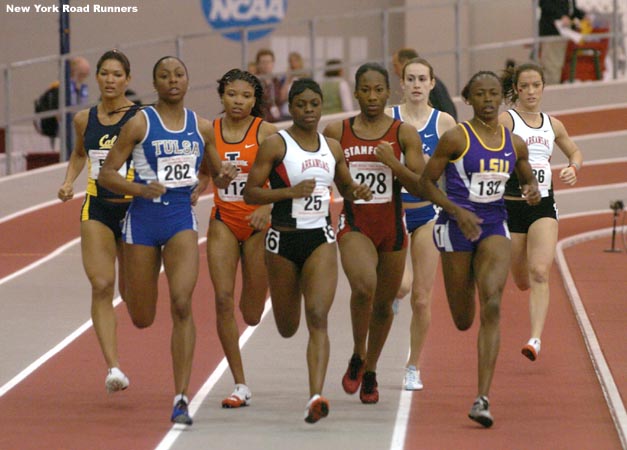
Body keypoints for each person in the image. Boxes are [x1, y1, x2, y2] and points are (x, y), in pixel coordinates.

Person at [378, 70, 540, 427]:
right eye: (480, 94)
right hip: (454, 228)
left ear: (502, 98)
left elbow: (527, 176)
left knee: (493, 303)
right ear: (469, 98)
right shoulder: (455, 138)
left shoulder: (515, 143)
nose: (487, 100)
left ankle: (482, 398)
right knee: (464, 319)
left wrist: (532, 190)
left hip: (494, 225)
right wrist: (455, 210)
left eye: (494, 94)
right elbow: (424, 184)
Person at [98, 56, 236, 426]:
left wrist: (221, 176)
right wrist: (138, 188)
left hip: (179, 220)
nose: (172, 80)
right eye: (164, 76)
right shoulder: (140, 123)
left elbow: (215, 174)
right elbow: (107, 174)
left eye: (178, 74)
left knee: (181, 304)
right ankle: (126, 271)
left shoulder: (202, 127)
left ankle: (180, 397)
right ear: (154, 83)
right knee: (142, 317)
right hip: (142, 221)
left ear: (188, 81)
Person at [243, 78, 372, 423]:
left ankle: (315, 395)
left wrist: (358, 190)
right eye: (302, 105)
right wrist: (289, 193)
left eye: (315, 104)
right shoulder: (275, 145)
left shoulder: (332, 148)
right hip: (282, 242)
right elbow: (251, 193)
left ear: (321, 107)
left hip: (320, 239)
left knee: (318, 316)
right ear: (291, 106)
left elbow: (345, 186)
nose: (309, 111)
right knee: (287, 326)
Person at [323, 62, 424, 404]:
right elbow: (330, 176)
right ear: (355, 92)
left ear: (388, 92)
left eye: (378, 89)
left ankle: (370, 370)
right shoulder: (337, 132)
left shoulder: (403, 134)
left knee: (384, 304)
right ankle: (357, 351)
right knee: (364, 286)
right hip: (355, 224)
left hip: (392, 229)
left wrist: (393, 164)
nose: (371, 96)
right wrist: (349, 187)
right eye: (365, 89)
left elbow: (420, 183)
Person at [57, 49, 137, 394]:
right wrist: (67, 181)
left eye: (117, 74)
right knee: (101, 284)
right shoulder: (83, 119)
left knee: (134, 296)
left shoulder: (141, 119)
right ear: (97, 77)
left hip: (136, 211)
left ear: (127, 80)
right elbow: (79, 154)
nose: (109, 79)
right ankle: (114, 368)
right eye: (104, 73)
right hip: (97, 208)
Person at [499, 62, 583, 361]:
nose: (531, 91)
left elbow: (574, 150)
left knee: (539, 272)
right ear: (517, 90)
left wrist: (573, 166)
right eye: (526, 86)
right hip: (511, 206)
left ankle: (535, 339)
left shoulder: (553, 124)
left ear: (543, 88)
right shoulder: (507, 121)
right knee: (521, 279)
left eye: (537, 85)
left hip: (543, 206)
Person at [205, 68, 277, 408]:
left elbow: (287, 180)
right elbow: (206, 176)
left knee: (250, 313)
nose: (238, 101)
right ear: (222, 96)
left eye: (246, 96)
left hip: (257, 224)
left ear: (255, 101)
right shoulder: (210, 131)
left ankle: (262, 294)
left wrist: (270, 209)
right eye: (232, 94)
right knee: (221, 299)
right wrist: (214, 182)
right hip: (223, 219)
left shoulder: (267, 133)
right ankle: (239, 382)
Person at [384, 57, 457, 391]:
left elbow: (458, 170)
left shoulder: (443, 123)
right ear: (402, 83)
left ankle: (413, 366)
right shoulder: (388, 119)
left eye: (421, 79)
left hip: (428, 213)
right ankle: (390, 295)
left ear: (431, 84)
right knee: (401, 286)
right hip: (394, 210)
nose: (415, 84)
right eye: (410, 78)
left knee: (423, 299)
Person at [392, 48, 457, 120]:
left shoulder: (434, 88)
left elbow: (448, 109)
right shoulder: (393, 115)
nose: (394, 71)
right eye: (410, 79)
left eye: (395, 65)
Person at [539, 0, 587, 85]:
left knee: (557, 64)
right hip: (552, 32)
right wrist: (560, 16)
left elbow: (570, 9)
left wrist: (582, 15)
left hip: (563, 32)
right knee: (551, 65)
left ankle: (553, 89)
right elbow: (545, 3)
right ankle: (550, 91)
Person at [255, 48, 285, 122]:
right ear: (258, 64)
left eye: (269, 62)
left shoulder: (276, 81)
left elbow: (280, 99)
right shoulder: (254, 82)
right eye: (263, 62)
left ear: (273, 63)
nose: (266, 65)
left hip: (277, 121)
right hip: (261, 122)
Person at [278, 51, 310, 118]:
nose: (293, 64)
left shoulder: (306, 78)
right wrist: (287, 80)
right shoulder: (285, 79)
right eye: (290, 61)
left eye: (295, 61)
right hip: (286, 113)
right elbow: (281, 98)